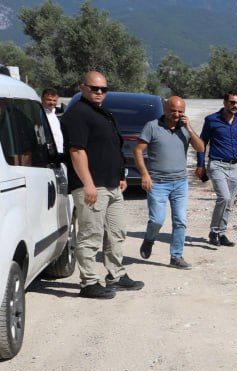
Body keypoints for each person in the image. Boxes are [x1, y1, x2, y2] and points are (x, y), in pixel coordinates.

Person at [62, 71, 145, 299]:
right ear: (82, 87)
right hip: (92, 186)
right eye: (94, 88)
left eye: (103, 89)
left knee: (116, 232)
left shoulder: (103, 113)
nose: (99, 92)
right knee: (91, 235)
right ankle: (89, 282)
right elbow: (77, 151)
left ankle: (116, 275)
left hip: (112, 185)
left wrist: (120, 175)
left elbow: (110, 148)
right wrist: (87, 184)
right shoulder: (78, 114)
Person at [136, 96, 204, 269]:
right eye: (173, 110)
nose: (176, 114)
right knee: (157, 220)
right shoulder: (152, 126)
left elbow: (201, 148)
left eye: (180, 111)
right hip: (157, 182)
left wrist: (188, 127)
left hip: (180, 182)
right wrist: (144, 174)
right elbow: (138, 151)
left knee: (180, 220)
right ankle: (149, 239)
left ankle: (176, 256)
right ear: (165, 110)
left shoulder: (185, 129)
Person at [195, 92, 237, 246]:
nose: (235, 106)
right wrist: (200, 165)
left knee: (230, 202)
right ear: (224, 102)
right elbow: (201, 143)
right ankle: (214, 231)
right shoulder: (212, 120)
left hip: (235, 166)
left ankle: (221, 232)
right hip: (217, 165)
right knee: (224, 197)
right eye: (232, 102)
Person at [41, 88, 64, 152]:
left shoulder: (53, 113)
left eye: (54, 100)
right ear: (42, 99)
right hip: (47, 153)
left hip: (58, 153)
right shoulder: (41, 114)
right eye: (49, 100)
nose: (52, 103)